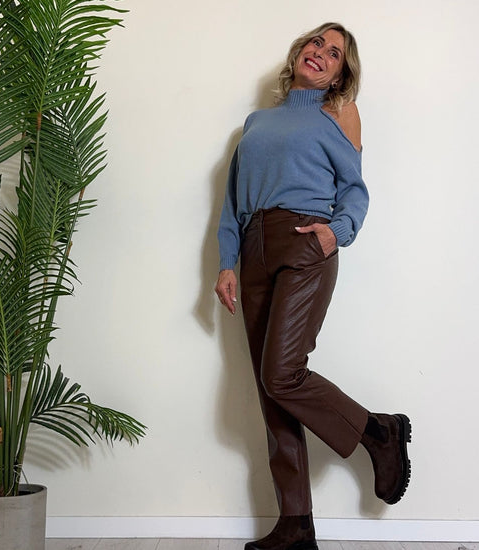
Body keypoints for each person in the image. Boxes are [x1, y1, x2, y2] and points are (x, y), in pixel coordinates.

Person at [215, 22, 411, 550]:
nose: (320, 53)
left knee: (281, 373)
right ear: (299, 52)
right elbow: (232, 203)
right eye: (316, 43)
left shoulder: (337, 114)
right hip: (253, 250)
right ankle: (295, 526)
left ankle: (379, 432)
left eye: (335, 53)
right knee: (271, 391)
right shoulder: (256, 122)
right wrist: (227, 263)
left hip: (305, 242)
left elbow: (355, 189)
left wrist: (335, 232)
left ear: (340, 75)